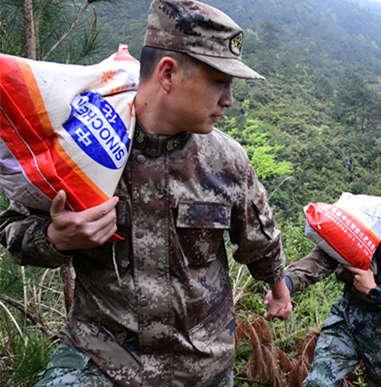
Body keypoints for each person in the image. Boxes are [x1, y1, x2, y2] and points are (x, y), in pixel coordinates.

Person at [0, 0, 292, 385]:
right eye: (219, 82)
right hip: (104, 361)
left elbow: (261, 239)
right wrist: (57, 239)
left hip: (201, 369)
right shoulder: (84, 146)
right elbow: (12, 230)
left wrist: (279, 290)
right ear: (168, 73)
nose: (229, 100)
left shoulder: (227, 160)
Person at [266, 159, 381, 387]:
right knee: (318, 384)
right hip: (346, 319)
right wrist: (284, 286)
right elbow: (317, 263)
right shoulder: (359, 228)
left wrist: (377, 293)